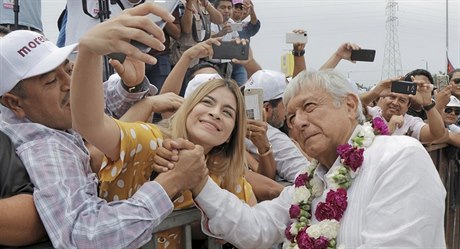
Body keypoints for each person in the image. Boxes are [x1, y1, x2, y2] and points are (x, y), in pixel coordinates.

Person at [0, 4, 207, 248]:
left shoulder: (41, 111)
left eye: (69, 69)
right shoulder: (44, 145)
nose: (69, 84)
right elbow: (85, 234)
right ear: (14, 103)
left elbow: (93, 100)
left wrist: (130, 86)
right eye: (51, 81)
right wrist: (172, 181)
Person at [183, 69, 446, 248]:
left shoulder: (399, 157)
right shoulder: (308, 183)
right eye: (291, 117)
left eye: (309, 107)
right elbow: (254, 226)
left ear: (350, 105)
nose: (299, 123)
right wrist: (199, 181)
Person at [71, 18, 256, 249]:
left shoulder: (224, 169)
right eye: (206, 102)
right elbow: (91, 125)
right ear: (187, 109)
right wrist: (89, 51)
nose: (215, 113)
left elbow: (251, 227)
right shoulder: (152, 140)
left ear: (231, 134)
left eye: (228, 112)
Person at [244, 69, 310, 183]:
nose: (289, 109)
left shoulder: (240, 126)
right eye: (286, 103)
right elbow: (308, 179)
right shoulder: (274, 137)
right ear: (267, 108)